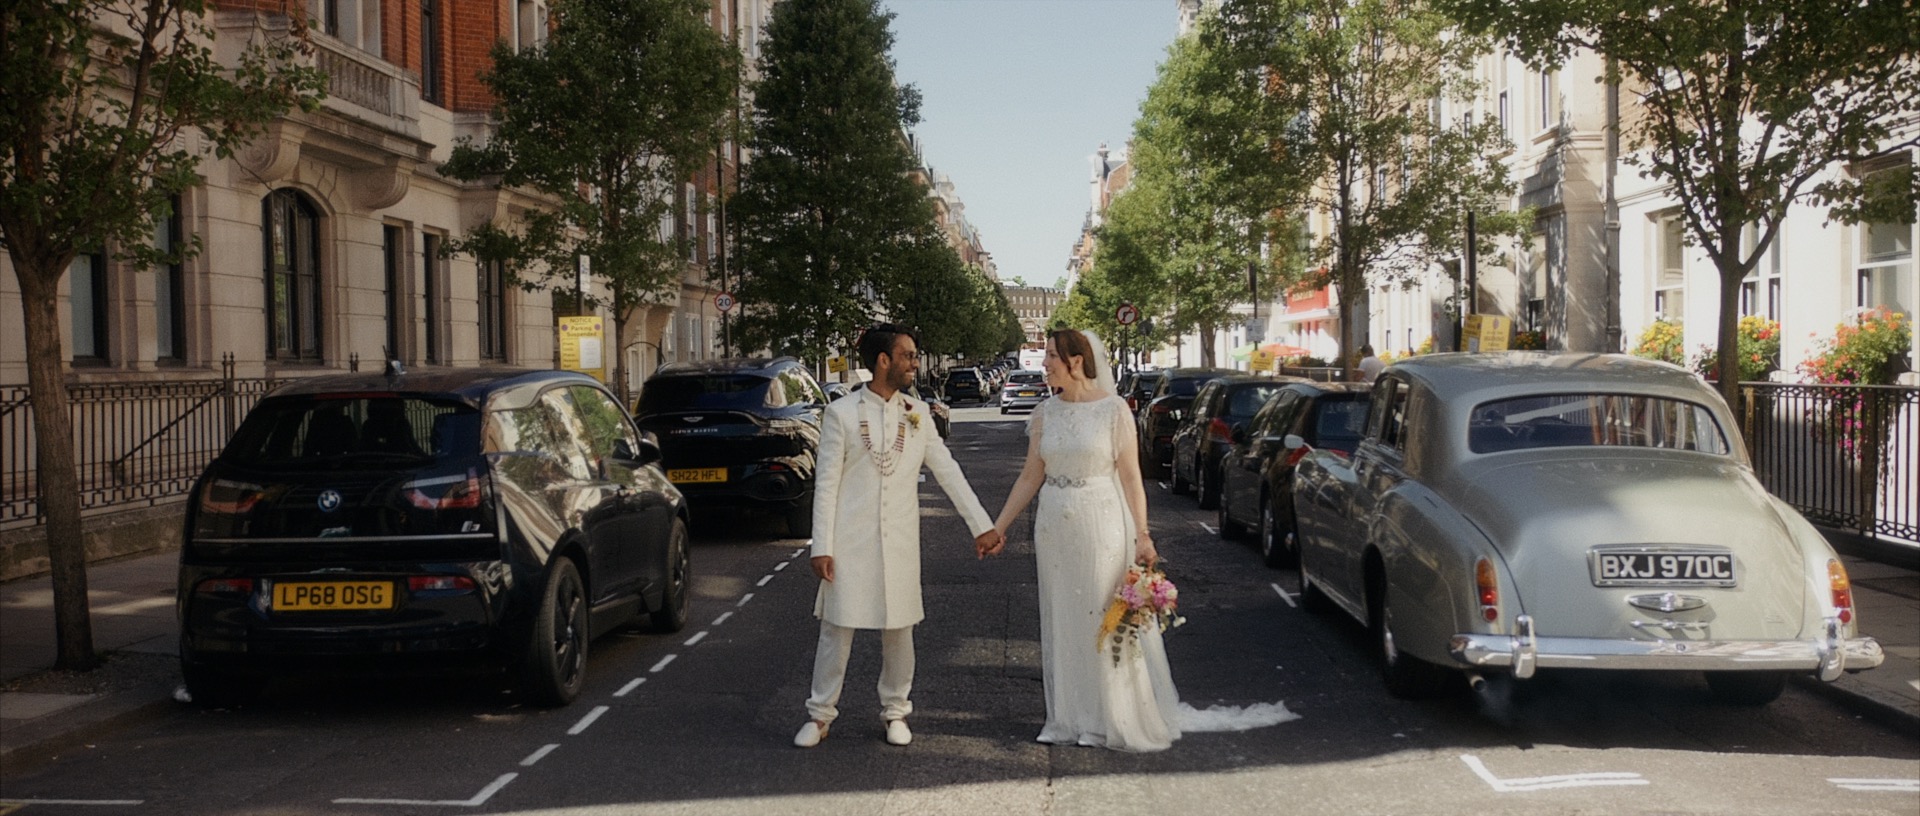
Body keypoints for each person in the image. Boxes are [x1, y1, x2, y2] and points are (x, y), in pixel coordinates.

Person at [795, 324, 1004, 749]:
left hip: (901, 542)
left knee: (900, 630)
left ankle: (896, 712)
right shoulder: (842, 414)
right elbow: (827, 485)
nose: (914, 362)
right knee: (837, 629)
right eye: (908, 355)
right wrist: (822, 546)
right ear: (883, 361)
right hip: (849, 542)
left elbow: (947, 471)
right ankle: (819, 715)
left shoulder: (917, 412)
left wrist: (982, 525)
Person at [985, 329, 1182, 752]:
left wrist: (1142, 534)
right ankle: (1065, 716)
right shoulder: (1045, 413)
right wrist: (998, 527)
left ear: (1076, 361)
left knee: (1101, 614)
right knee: (1061, 614)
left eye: (1052, 356)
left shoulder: (1113, 411)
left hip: (1102, 519)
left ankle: (1105, 716)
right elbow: (1029, 476)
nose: (1045, 364)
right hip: (1055, 523)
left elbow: (1131, 478)